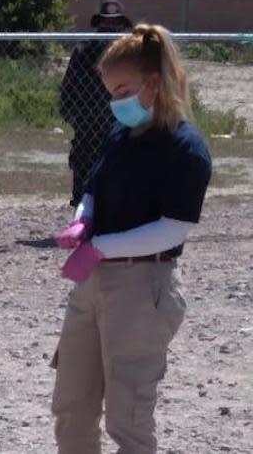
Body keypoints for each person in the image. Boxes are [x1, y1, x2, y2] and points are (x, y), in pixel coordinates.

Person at [53, 24, 212, 454]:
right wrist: (82, 222)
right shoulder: (121, 134)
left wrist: (102, 247)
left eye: (123, 89)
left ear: (154, 82)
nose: (115, 101)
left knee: (129, 417)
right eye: (110, 91)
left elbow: (172, 228)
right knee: (72, 406)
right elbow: (92, 187)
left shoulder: (185, 147)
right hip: (93, 284)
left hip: (142, 288)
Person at [60, 0, 133, 207]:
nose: (110, 27)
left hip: (110, 120)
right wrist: (73, 113)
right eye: (106, 23)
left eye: (115, 23)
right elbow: (70, 84)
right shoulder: (86, 49)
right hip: (92, 121)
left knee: (110, 169)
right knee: (86, 169)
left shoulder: (125, 52)